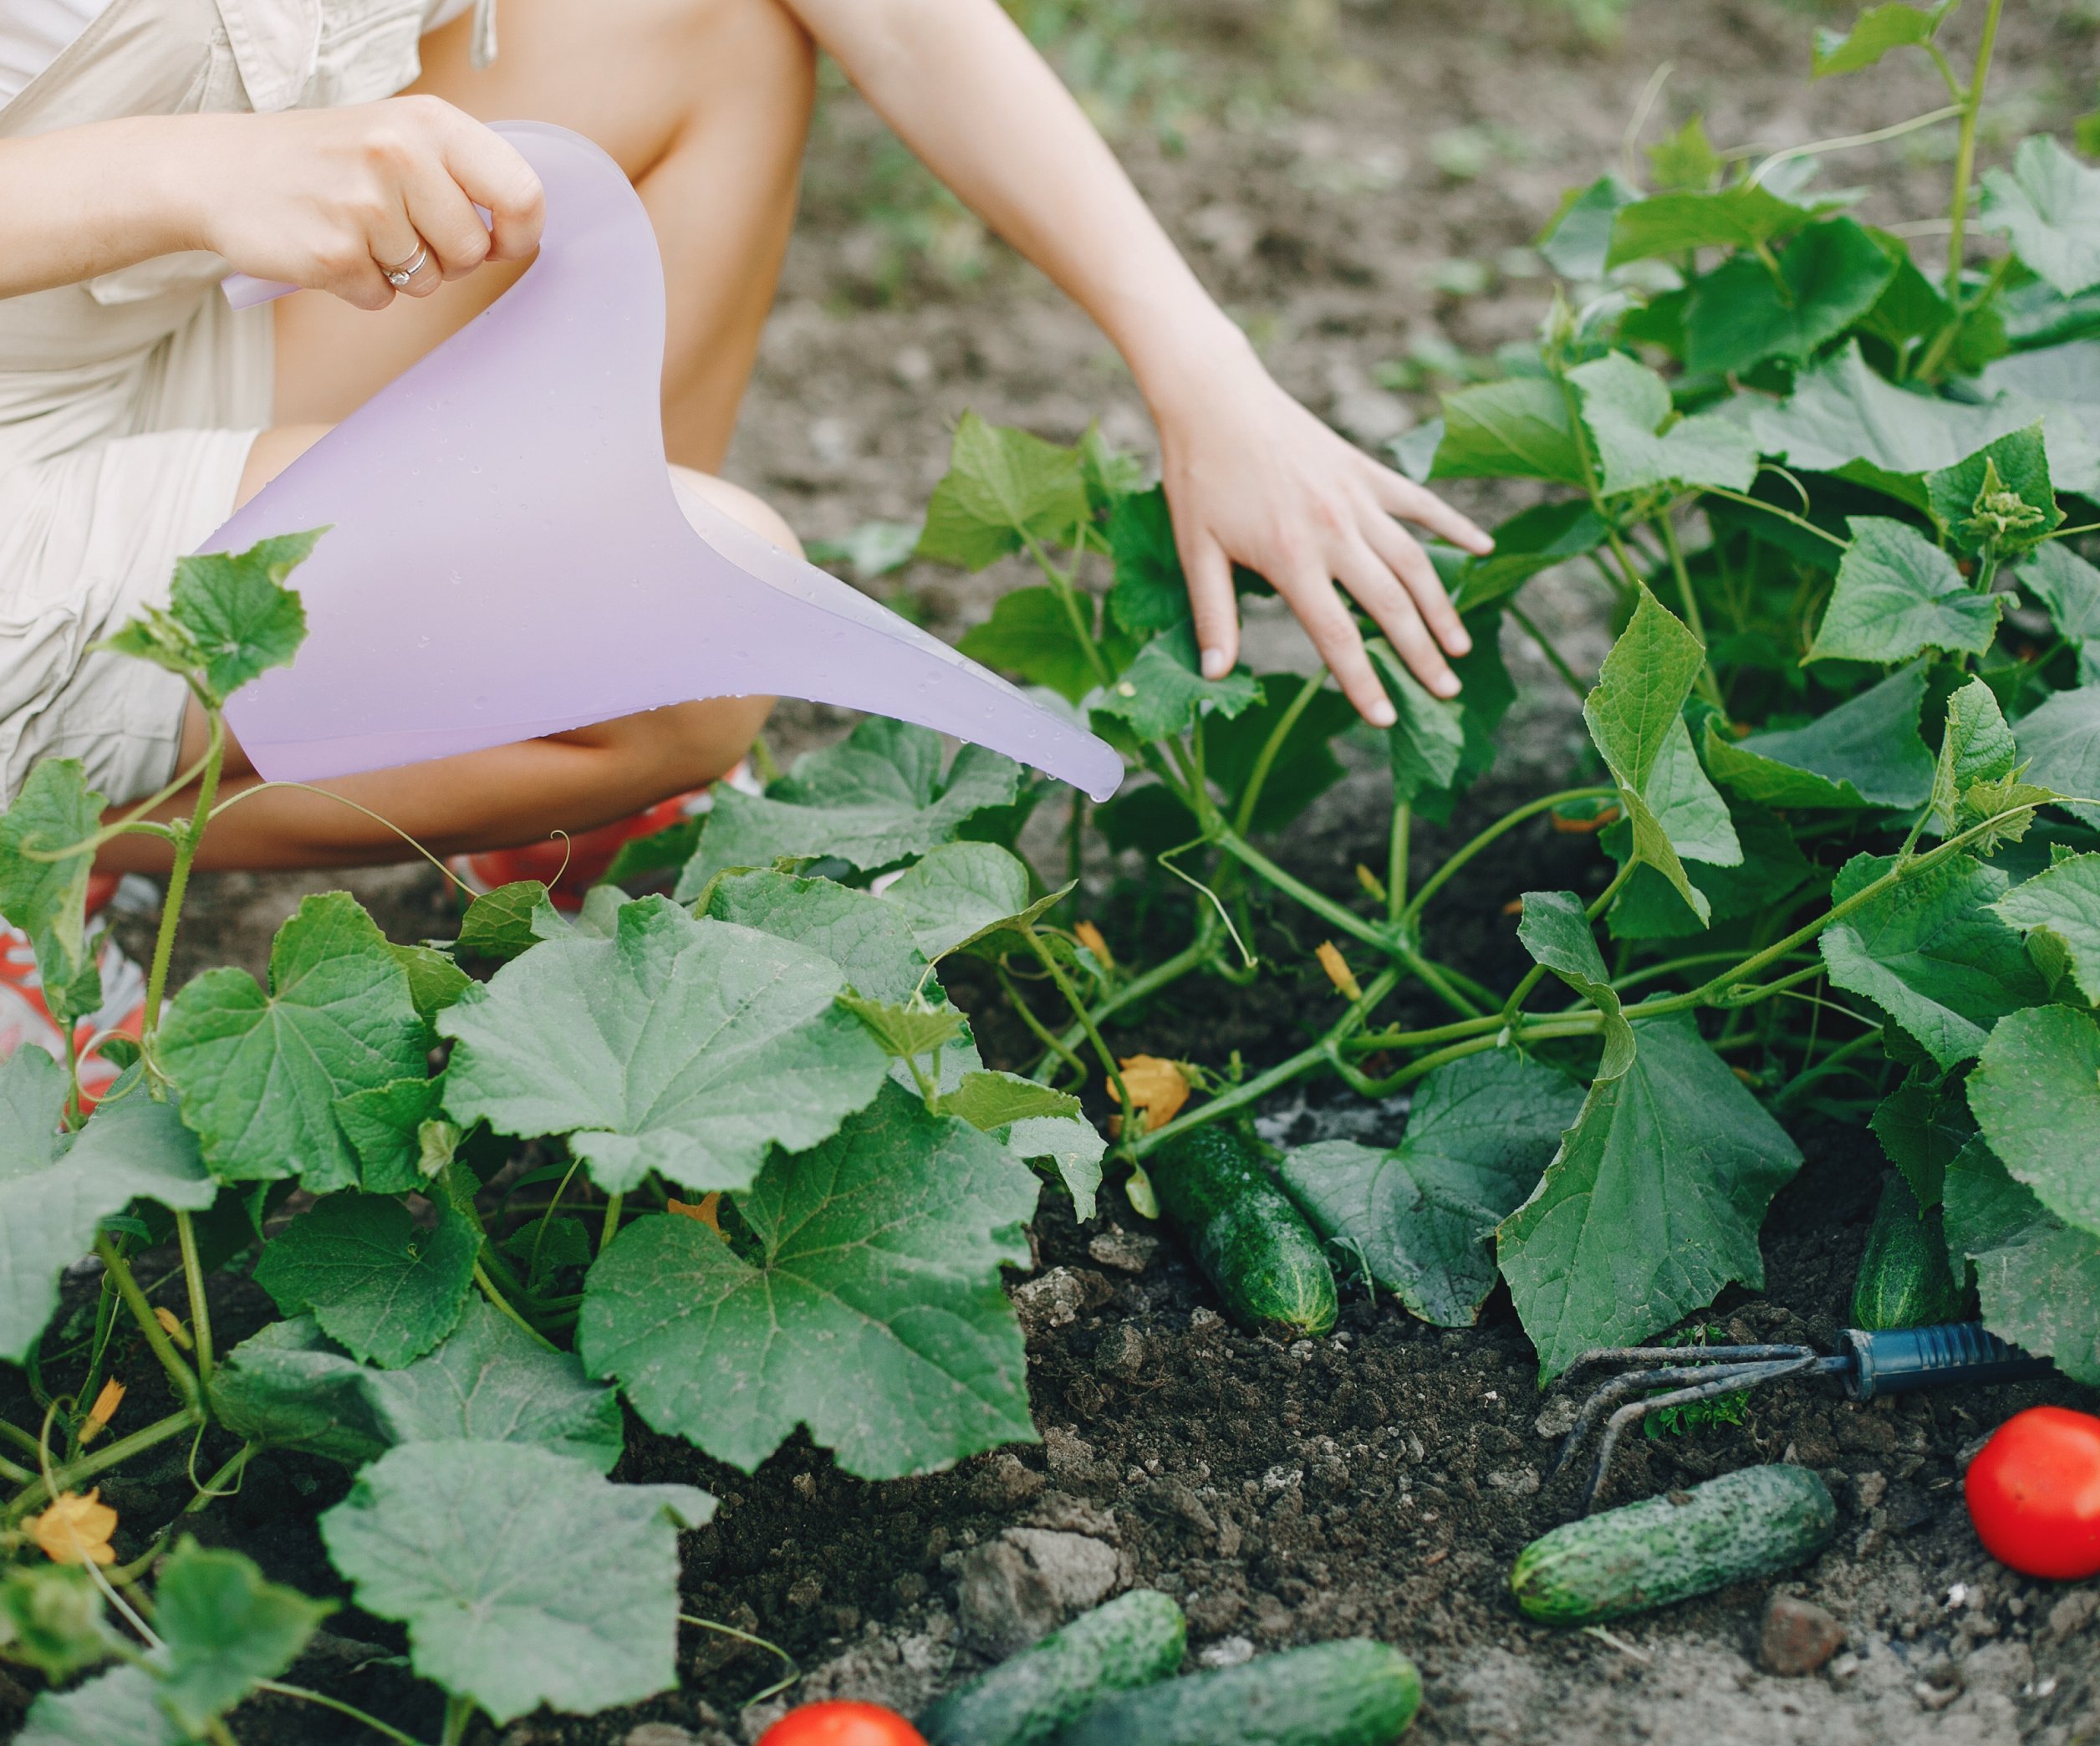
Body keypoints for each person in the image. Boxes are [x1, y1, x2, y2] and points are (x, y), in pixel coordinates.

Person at [0, 0, 1491, 1084]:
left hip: (135, 323)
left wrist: (1204, 375)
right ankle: (54, 838)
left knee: (707, 22)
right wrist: (185, 175)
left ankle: (524, 778)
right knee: (701, 630)